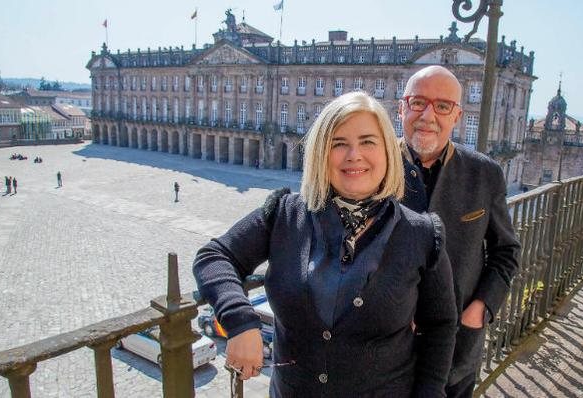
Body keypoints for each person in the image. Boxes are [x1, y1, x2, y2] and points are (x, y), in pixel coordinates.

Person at [193, 91, 458, 397]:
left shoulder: (422, 234)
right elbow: (215, 256)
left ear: (387, 151)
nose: (353, 155)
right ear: (321, 153)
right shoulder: (283, 213)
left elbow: (440, 325)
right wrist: (240, 320)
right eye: (338, 144)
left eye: (368, 142)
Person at [398, 65, 521, 398]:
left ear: (457, 116)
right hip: (387, 355)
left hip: (456, 351)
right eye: (418, 102)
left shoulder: (485, 173)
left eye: (442, 106)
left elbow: (506, 251)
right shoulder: (373, 167)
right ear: (402, 108)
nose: (428, 115)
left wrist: (480, 309)